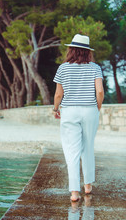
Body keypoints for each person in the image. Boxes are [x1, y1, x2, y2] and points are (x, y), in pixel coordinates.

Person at [53, 34, 104, 202]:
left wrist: (55, 109)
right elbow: (100, 92)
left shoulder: (63, 68)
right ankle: (87, 185)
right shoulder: (95, 68)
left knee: (72, 151)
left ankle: (74, 192)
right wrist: (97, 107)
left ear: (71, 50)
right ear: (87, 51)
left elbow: (59, 93)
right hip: (90, 110)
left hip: (69, 111)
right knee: (88, 146)